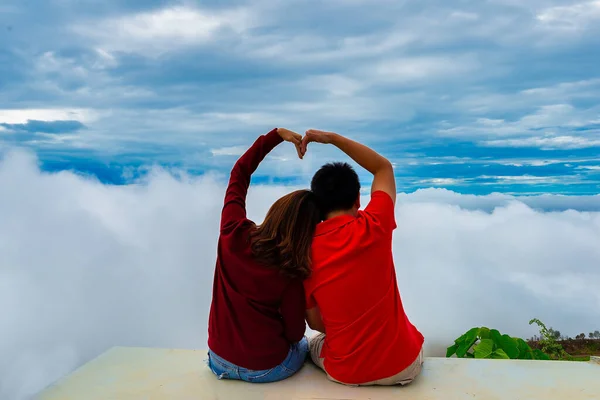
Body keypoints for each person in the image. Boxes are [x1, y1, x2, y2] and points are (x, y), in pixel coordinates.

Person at [301, 129, 425, 386]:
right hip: (404, 367)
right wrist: (332, 139)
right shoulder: (375, 225)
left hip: (346, 372)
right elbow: (382, 168)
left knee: (311, 343)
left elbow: (316, 323)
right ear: (358, 198)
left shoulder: (305, 251)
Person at [207, 127, 320, 383]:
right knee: (305, 344)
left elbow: (240, 173)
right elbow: (293, 333)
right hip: (266, 369)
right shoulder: (290, 270)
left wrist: (276, 136)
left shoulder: (232, 232)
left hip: (218, 360)